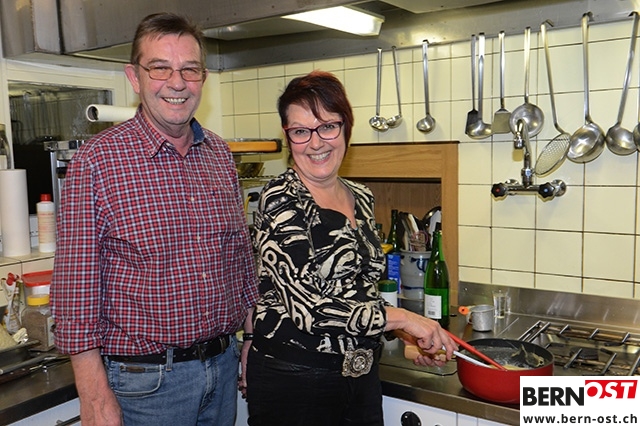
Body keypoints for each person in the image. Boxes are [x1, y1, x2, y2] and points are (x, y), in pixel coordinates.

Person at [50, 12, 258, 426]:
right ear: (134, 76)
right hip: (146, 385)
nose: (177, 83)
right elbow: (76, 288)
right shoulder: (98, 161)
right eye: (160, 68)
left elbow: (239, 261)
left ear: (202, 78)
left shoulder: (218, 154)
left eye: (189, 69)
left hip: (222, 367)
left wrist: (251, 338)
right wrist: (94, 396)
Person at [244, 70, 457, 426]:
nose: (316, 143)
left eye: (328, 126)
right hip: (295, 380)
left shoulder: (361, 196)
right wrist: (406, 319)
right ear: (287, 137)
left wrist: (404, 336)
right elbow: (309, 309)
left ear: (346, 127)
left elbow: (360, 290)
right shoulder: (280, 198)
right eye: (300, 131)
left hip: (361, 377)